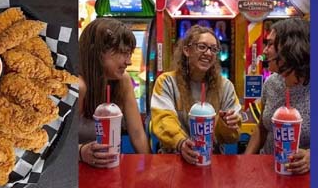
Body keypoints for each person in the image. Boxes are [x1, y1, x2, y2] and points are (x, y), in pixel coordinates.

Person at [150, 25, 241, 164]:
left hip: (211, 162)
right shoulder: (167, 82)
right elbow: (163, 120)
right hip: (173, 161)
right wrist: (181, 143)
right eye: (202, 47)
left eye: (213, 49)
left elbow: (232, 136)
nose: (209, 53)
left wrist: (227, 124)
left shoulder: (225, 86)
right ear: (186, 50)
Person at [78, 18, 151, 167]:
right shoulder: (78, 86)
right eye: (123, 53)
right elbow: (53, 141)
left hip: (109, 170)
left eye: (129, 54)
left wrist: (150, 168)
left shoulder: (123, 80)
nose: (129, 62)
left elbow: (137, 134)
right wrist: (81, 152)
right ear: (98, 52)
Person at [245, 18, 310, 174]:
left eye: (270, 44)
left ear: (290, 47)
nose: (265, 51)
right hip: (267, 172)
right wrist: (245, 163)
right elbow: (262, 128)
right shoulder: (271, 83)